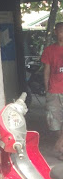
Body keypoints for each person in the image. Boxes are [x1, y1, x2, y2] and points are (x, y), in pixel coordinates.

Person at [41, 22, 63, 158]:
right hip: (54, 90)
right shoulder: (49, 50)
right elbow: (47, 70)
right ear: (56, 32)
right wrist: (46, 88)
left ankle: (60, 145)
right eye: (60, 31)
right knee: (54, 122)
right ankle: (60, 146)